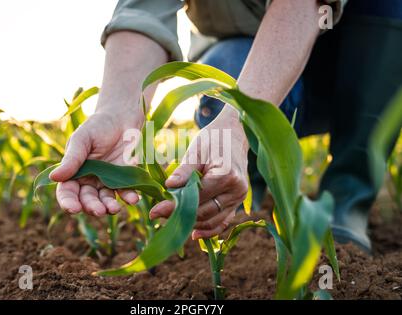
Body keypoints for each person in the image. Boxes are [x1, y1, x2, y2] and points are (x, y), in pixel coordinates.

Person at [49, 0, 402, 253]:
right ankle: (254, 197)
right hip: (256, 66)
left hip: (357, 69)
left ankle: (347, 199)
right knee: (218, 79)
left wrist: (240, 122)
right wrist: (116, 111)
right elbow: (144, 10)